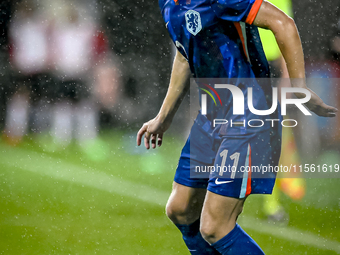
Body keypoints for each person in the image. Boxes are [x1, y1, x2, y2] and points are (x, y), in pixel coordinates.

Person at [137, 0, 337, 254]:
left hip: (248, 112)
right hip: (213, 114)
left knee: (214, 226)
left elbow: (283, 23)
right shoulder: (168, 3)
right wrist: (163, 118)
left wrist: (298, 86)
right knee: (181, 209)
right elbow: (184, 54)